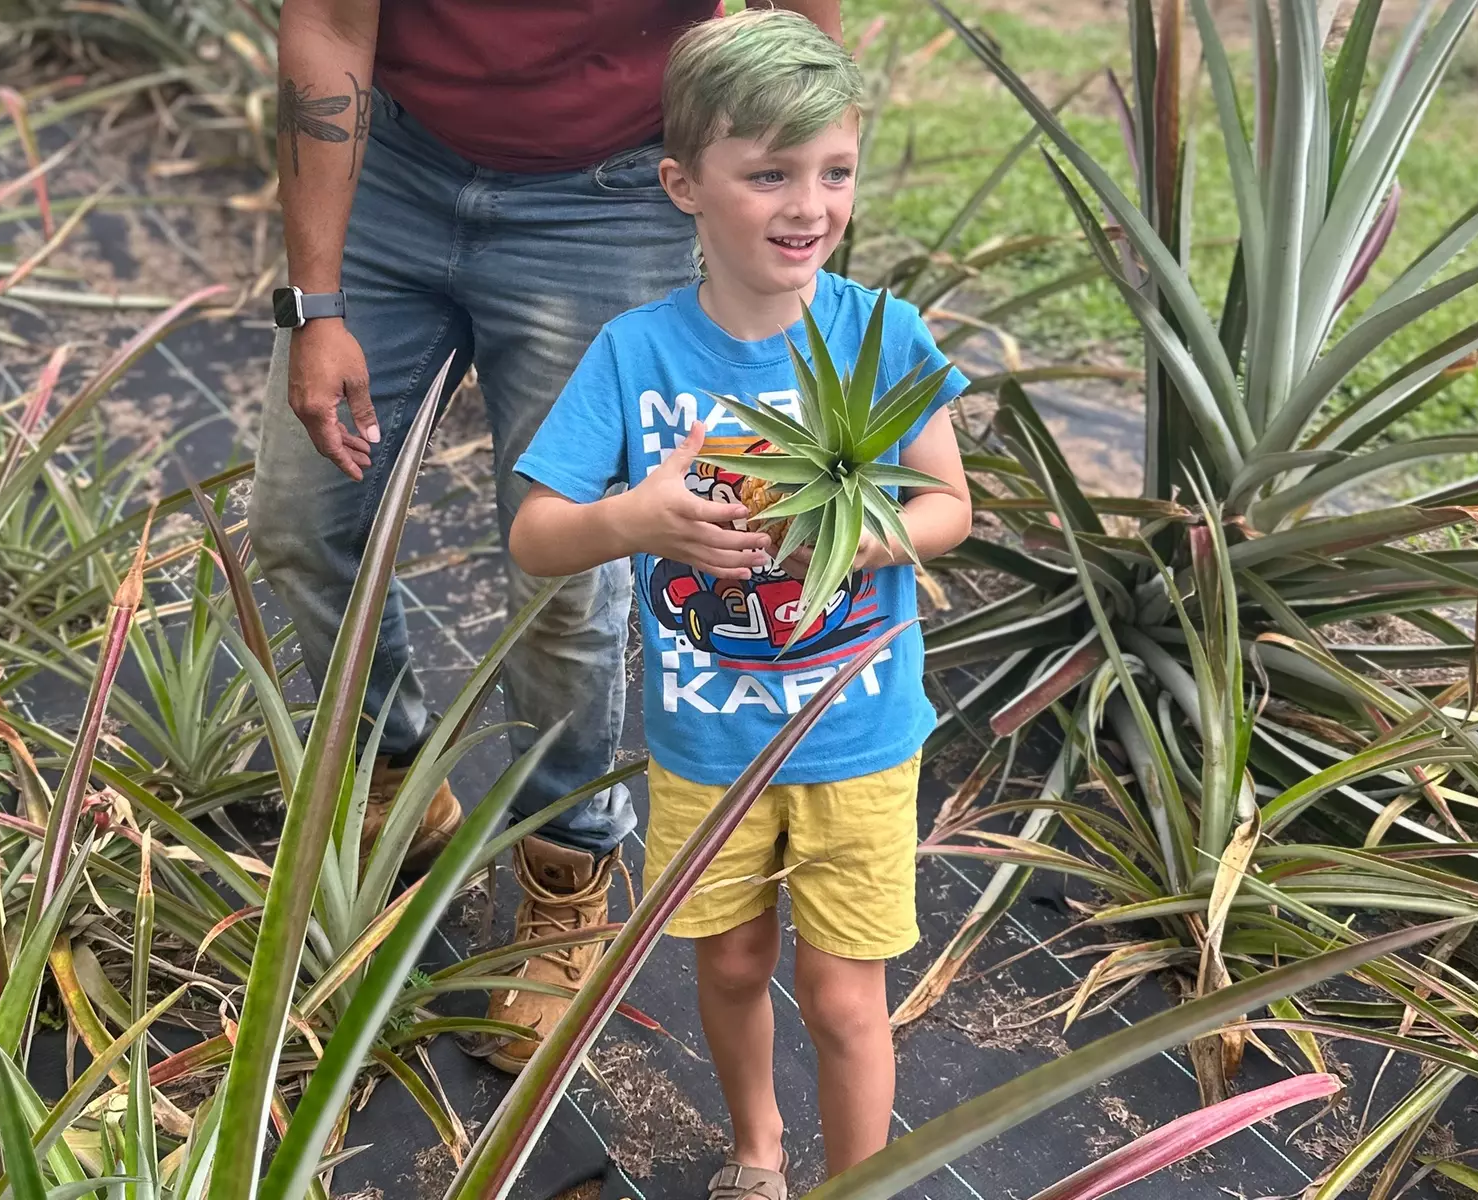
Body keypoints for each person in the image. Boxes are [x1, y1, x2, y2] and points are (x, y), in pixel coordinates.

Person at [254, 0, 841, 1076]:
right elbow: (329, 28)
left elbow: (799, 28)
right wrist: (315, 304)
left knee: (568, 580)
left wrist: (781, 259)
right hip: (393, 173)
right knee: (302, 521)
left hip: (607, 204)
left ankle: (566, 864)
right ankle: (394, 782)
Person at [506, 12, 972, 1195]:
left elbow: (949, 507)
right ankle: (758, 1151)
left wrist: (850, 535)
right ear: (684, 187)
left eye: (835, 171)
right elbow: (536, 536)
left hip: (857, 732)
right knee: (727, 964)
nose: (809, 205)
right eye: (769, 174)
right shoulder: (636, 354)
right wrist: (635, 520)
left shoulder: (882, 334)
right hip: (708, 741)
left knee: (844, 996)